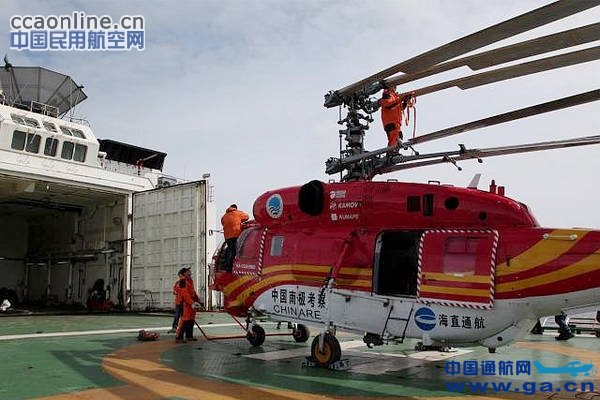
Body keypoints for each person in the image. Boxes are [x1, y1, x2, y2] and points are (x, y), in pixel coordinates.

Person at [220, 204, 249, 271]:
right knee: (234, 251)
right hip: (235, 235)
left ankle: (227, 265)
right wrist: (240, 221)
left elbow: (222, 222)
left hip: (227, 237)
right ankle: (231, 266)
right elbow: (247, 217)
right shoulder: (238, 213)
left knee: (229, 249)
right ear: (235, 208)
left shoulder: (224, 216)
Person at [168, 269, 186, 333]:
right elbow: (174, 290)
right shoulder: (178, 283)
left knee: (184, 316)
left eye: (181, 276)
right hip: (178, 302)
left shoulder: (187, 283)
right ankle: (175, 328)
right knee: (177, 315)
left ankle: (183, 328)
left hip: (184, 302)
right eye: (179, 276)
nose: (180, 277)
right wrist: (175, 292)